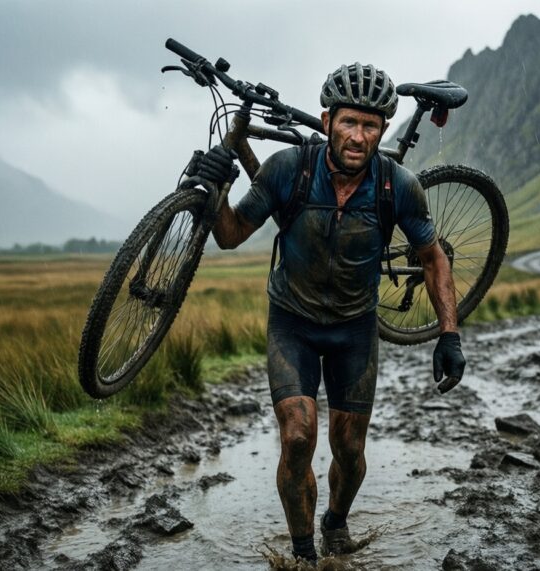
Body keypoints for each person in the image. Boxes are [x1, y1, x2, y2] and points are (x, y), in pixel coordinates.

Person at [192, 63, 466, 564]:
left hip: (354, 328)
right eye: (348, 123)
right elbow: (229, 235)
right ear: (326, 121)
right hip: (292, 322)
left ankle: (335, 521)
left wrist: (449, 334)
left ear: (384, 130)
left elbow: (432, 258)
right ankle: (303, 556)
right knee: (297, 438)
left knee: (350, 452)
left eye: (370, 125)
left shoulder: (397, 185)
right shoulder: (287, 169)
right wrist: (215, 191)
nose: (358, 136)